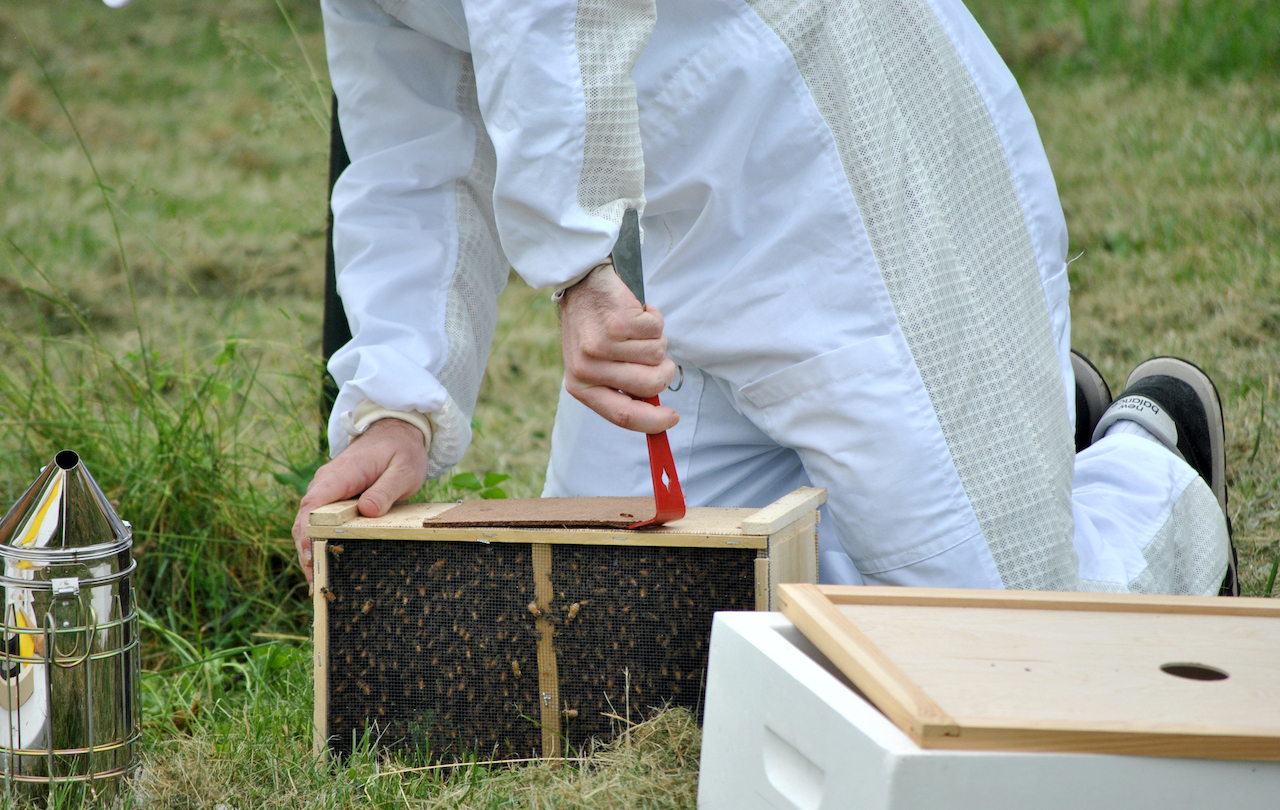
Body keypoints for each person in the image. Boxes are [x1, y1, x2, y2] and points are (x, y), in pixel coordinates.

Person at [289, 0, 1235, 596]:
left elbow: (551, 17)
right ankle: (1013, 430)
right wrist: (397, 404)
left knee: (996, 638)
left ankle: (1154, 464)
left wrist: (575, 268)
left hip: (837, 153)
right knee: (631, 624)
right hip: (657, 238)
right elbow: (415, 147)